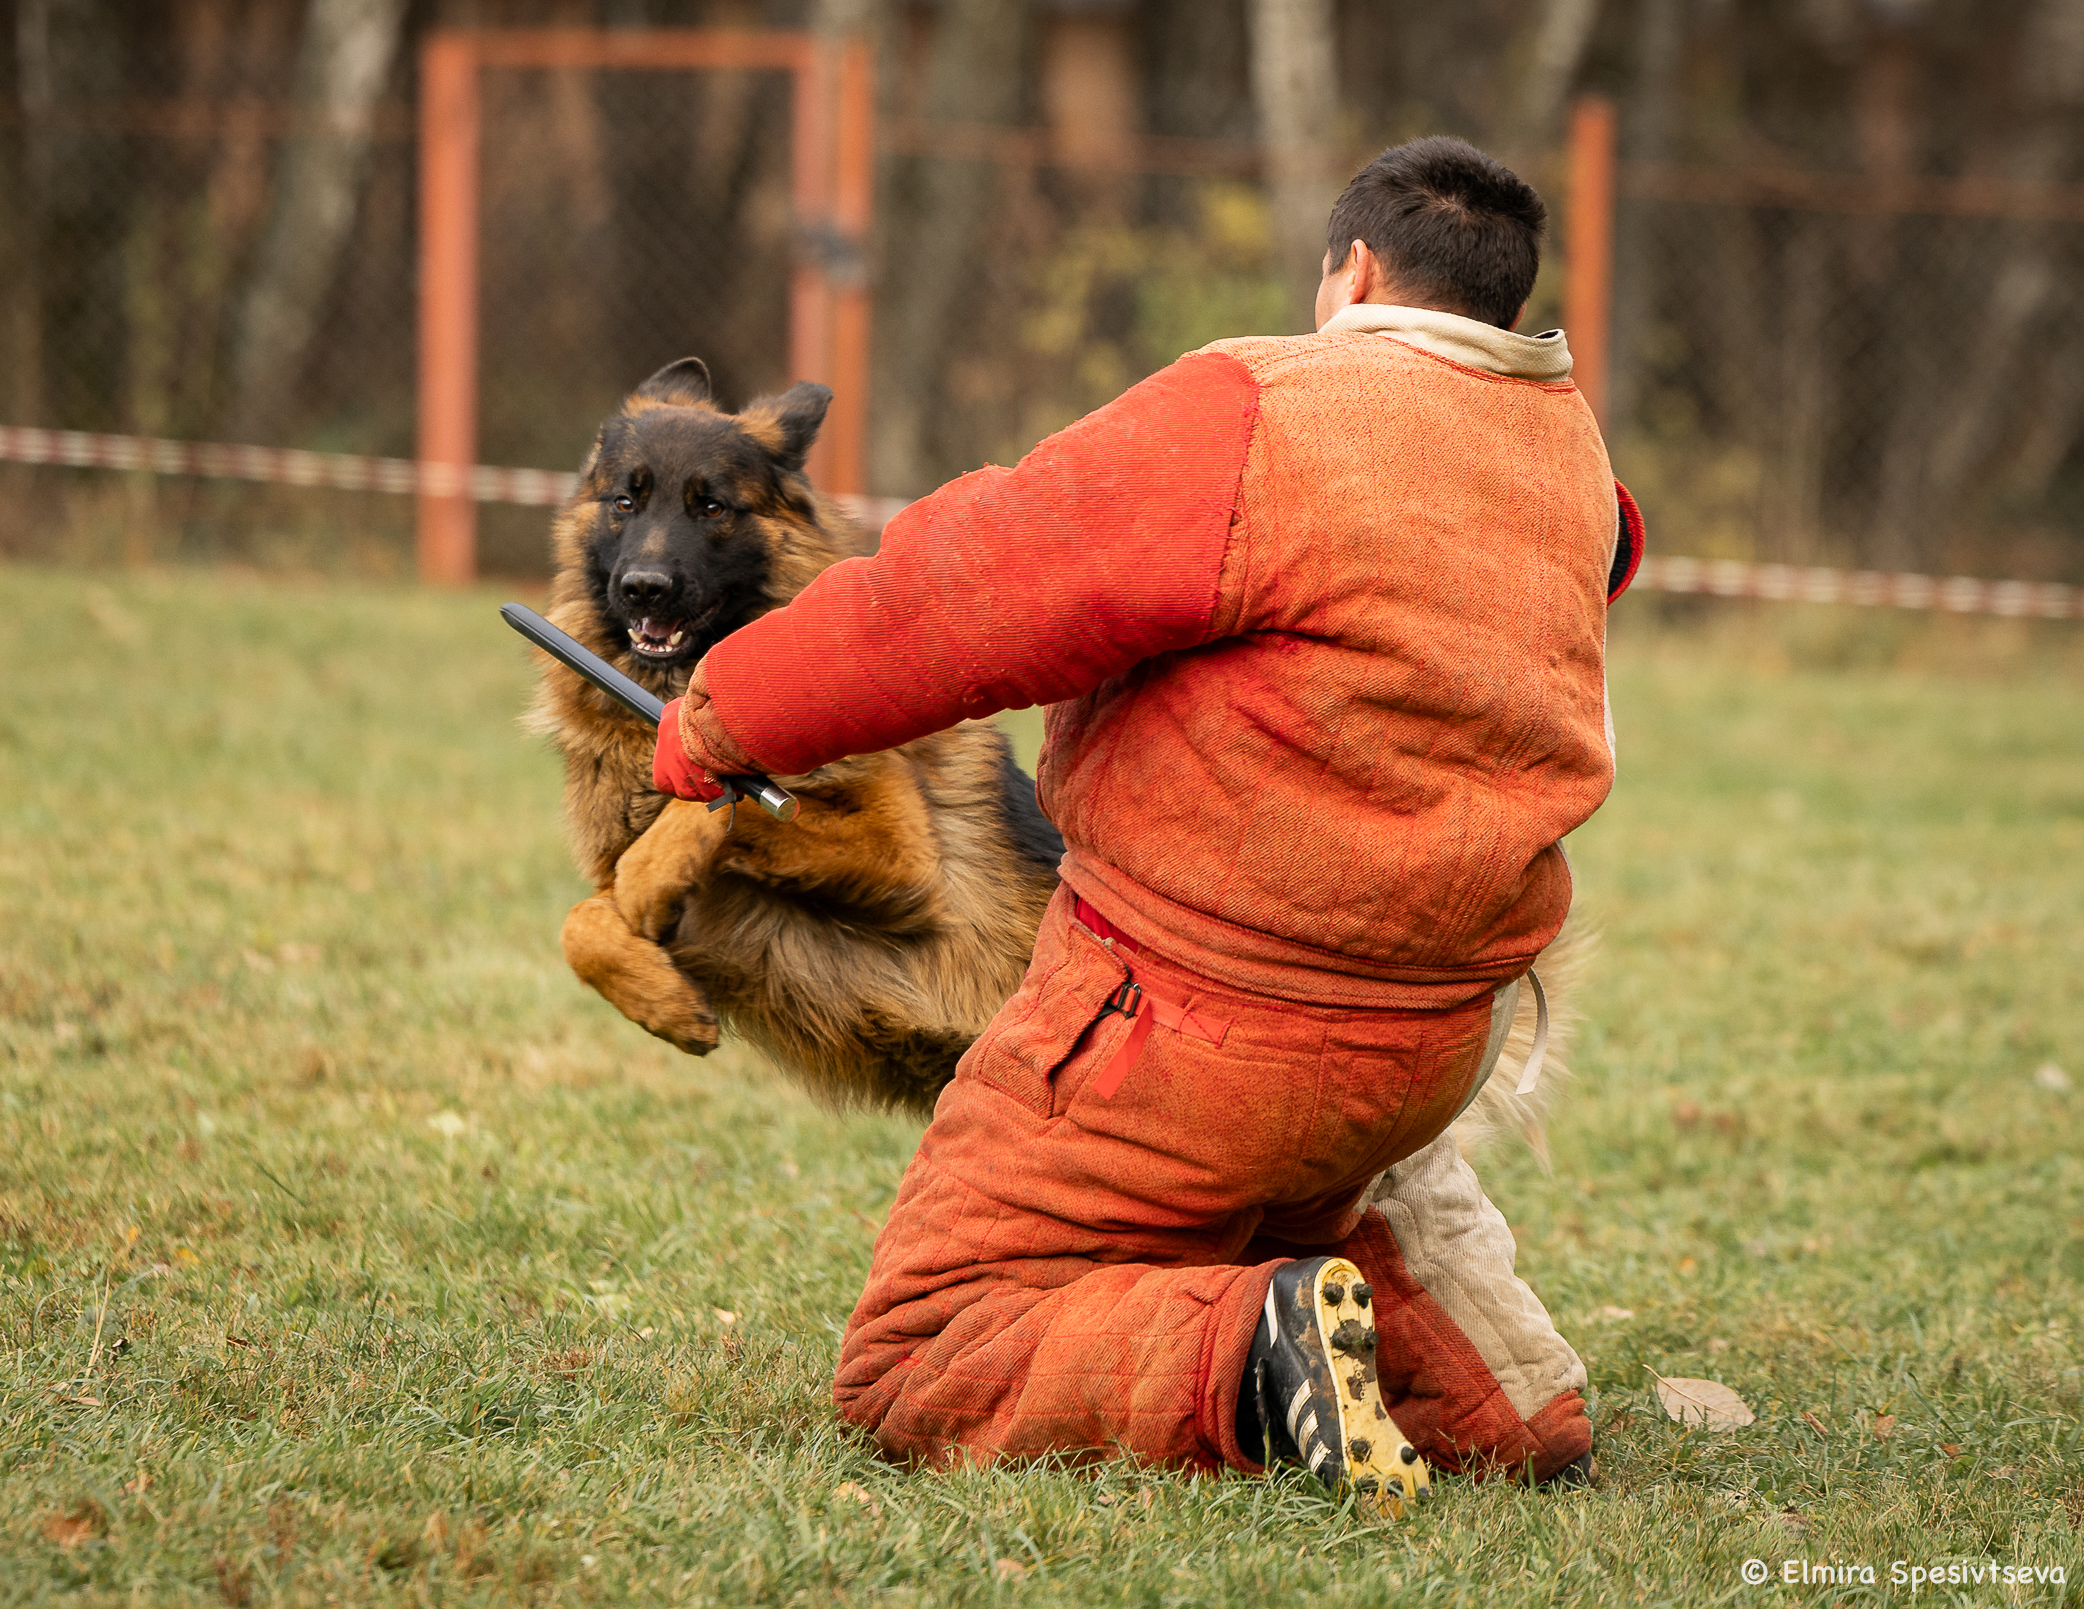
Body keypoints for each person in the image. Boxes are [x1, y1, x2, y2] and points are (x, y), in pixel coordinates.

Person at [650, 137, 1644, 1507]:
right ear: (1502, 303)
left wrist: (721, 712)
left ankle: (1253, 1354)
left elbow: (967, 592)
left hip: (1196, 1027)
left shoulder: (1257, 410)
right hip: (1437, 1035)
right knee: (1320, 1179)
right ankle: (1503, 1403)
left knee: (919, 1357)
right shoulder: (1567, 456)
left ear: (1351, 274)